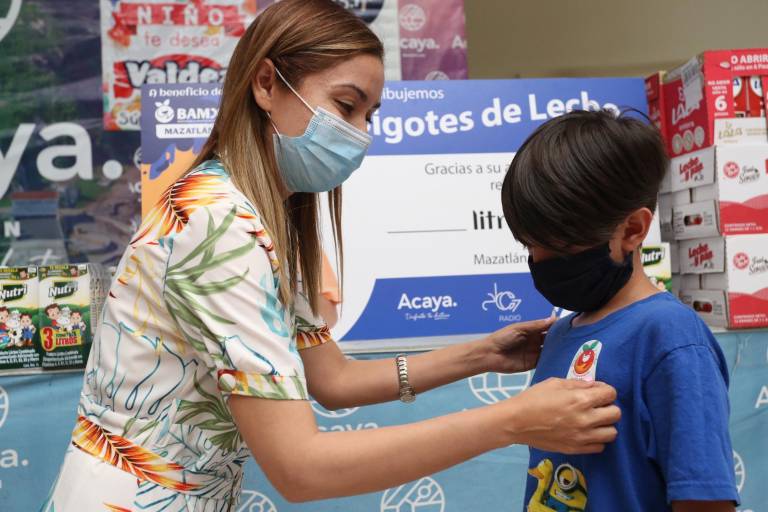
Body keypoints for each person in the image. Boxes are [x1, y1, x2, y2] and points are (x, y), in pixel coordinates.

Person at [43, 2, 621, 510]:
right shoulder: (219, 225)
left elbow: (333, 378)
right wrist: (510, 422)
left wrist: (484, 354)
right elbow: (301, 468)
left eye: (369, 115)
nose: (360, 134)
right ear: (266, 84)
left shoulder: (264, 219)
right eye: (346, 107)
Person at [501, 110, 739, 512]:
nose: (540, 261)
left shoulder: (671, 338)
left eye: (558, 247)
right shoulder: (562, 333)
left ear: (632, 230)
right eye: (529, 245)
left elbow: (705, 498)